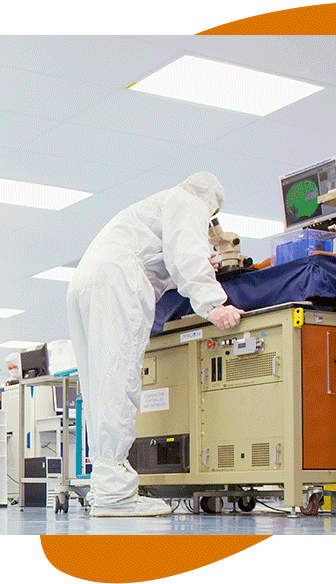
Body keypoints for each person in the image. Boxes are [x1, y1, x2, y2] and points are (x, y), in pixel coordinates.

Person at [66, 172, 244, 517]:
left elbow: (169, 260)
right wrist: (213, 305)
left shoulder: (156, 206)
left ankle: (107, 487)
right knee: (119, 379)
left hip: (87, 280)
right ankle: (116, 495)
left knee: (100, 384)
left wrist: (187, 271)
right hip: (116, 281)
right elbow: (188, 255)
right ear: (213, 203)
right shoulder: (190, 202)